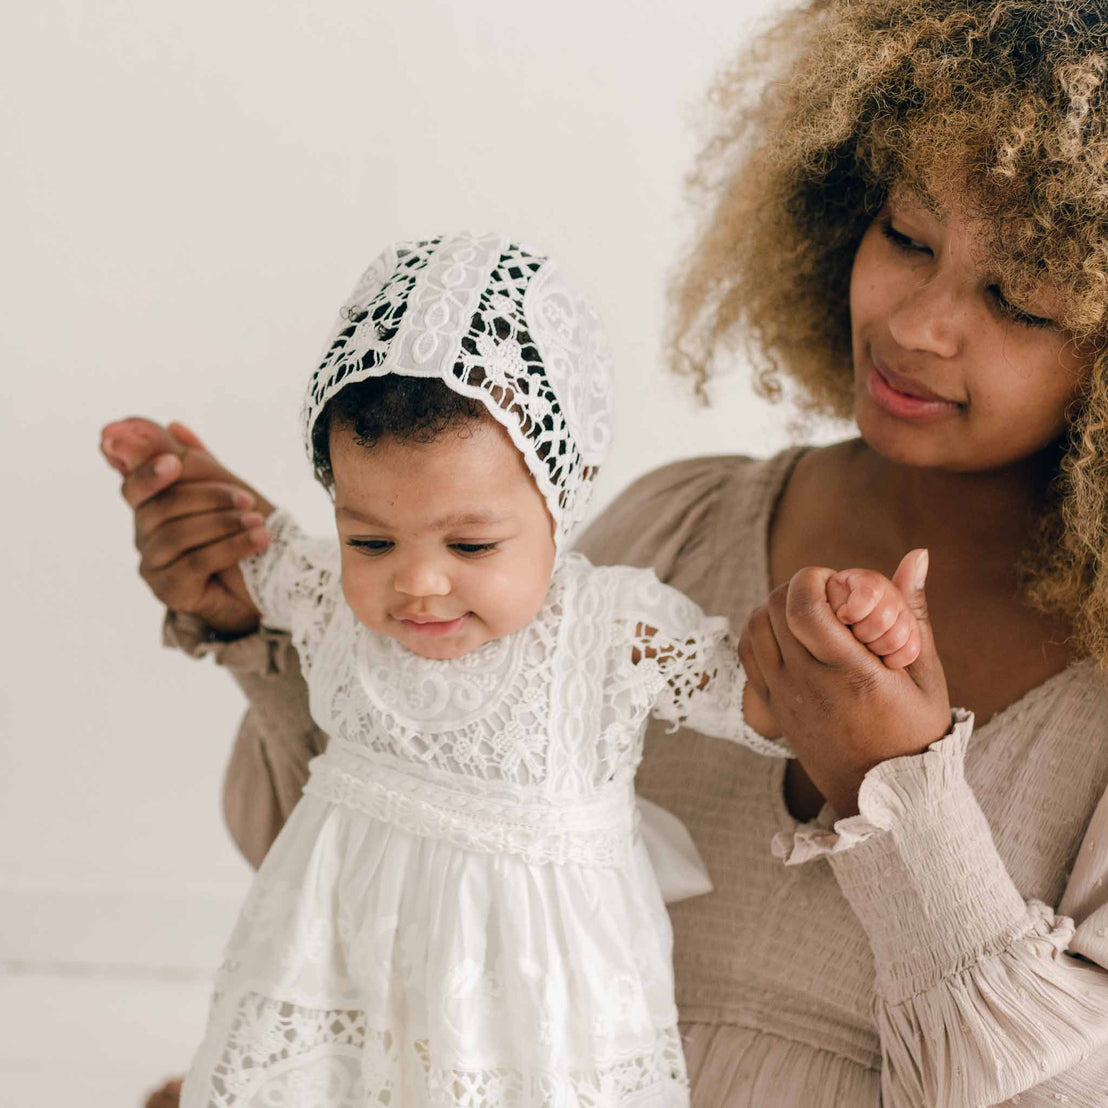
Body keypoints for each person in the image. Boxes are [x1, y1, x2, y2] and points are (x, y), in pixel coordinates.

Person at [109, 1, 1108, 1103]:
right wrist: (293, 622)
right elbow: (365, 886)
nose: (919, 322)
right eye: (906, 236)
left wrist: (895, 792)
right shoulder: (683, 524)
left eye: (1015, 296)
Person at [109, 233, 919, 1106]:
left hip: (535, 1004)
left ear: (557, 505)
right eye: (369, 539)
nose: (417, 582)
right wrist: (189, 493)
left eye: (472, 543)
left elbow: (762, 699)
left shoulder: (609, 629)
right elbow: (249, 552)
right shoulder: (328, 596)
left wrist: (847, 628)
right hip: (348, 968)